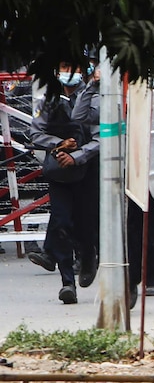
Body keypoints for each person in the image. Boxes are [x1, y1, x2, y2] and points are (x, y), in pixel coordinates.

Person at [29, 60, 100, 304]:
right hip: (60, 171)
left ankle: (88, 257)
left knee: (85, 224)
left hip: (89, 171)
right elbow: (36, 133)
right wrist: (58, 145)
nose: (70, 72)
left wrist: (77, 156)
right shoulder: (50, 99)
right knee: (61, 222)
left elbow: (102, 137)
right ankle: (67, 282)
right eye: (65, 66)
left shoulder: (94, 98)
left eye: (75, 67)